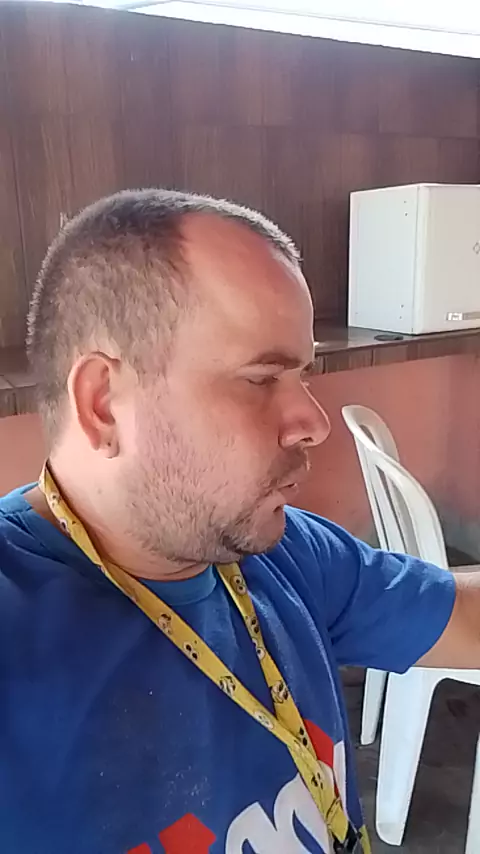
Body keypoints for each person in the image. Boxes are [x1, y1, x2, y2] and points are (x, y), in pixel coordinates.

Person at [0, 189, 478, 854]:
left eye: (303, 375)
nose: (313, 422)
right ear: (104, 403)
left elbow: (462, 618)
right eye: (260, 379)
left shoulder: (284, 552)